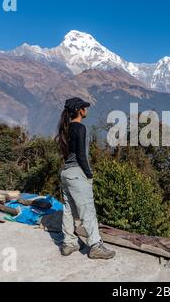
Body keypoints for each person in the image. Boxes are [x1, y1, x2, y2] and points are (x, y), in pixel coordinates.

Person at [55, 97, 116, 259]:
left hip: (66, 173)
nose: (86, 110)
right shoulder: (79, 128)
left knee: (69, 210)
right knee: (87, 210)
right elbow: (81, 155)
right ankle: (95, 246)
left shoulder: (65, 128)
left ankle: (69, 243)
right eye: (84, 107)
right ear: (79, 110)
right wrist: (89, 174)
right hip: (77, 173)